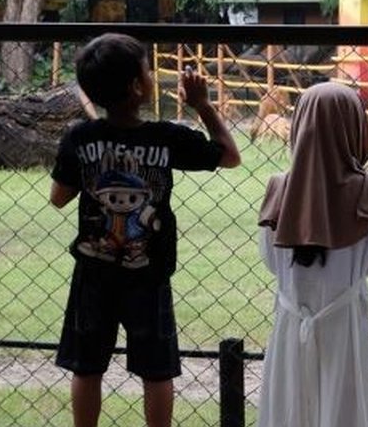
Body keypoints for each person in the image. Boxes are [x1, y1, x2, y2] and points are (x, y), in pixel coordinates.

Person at [49, 33, 242, 427]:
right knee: (156, 370)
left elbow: (58, 197)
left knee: (86, 366)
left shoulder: (80, 138)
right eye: (148, 70)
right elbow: (230, 157)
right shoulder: (165, 138)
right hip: (148, 275)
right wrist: (203, 105)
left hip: (93, 275)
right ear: (138, 87)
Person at [257, 81, 368, 427]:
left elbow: (271, 261)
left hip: (291, 326)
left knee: (290, 409)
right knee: (346, 410)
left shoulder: (278, 188)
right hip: (345, 329)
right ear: (356, 130)